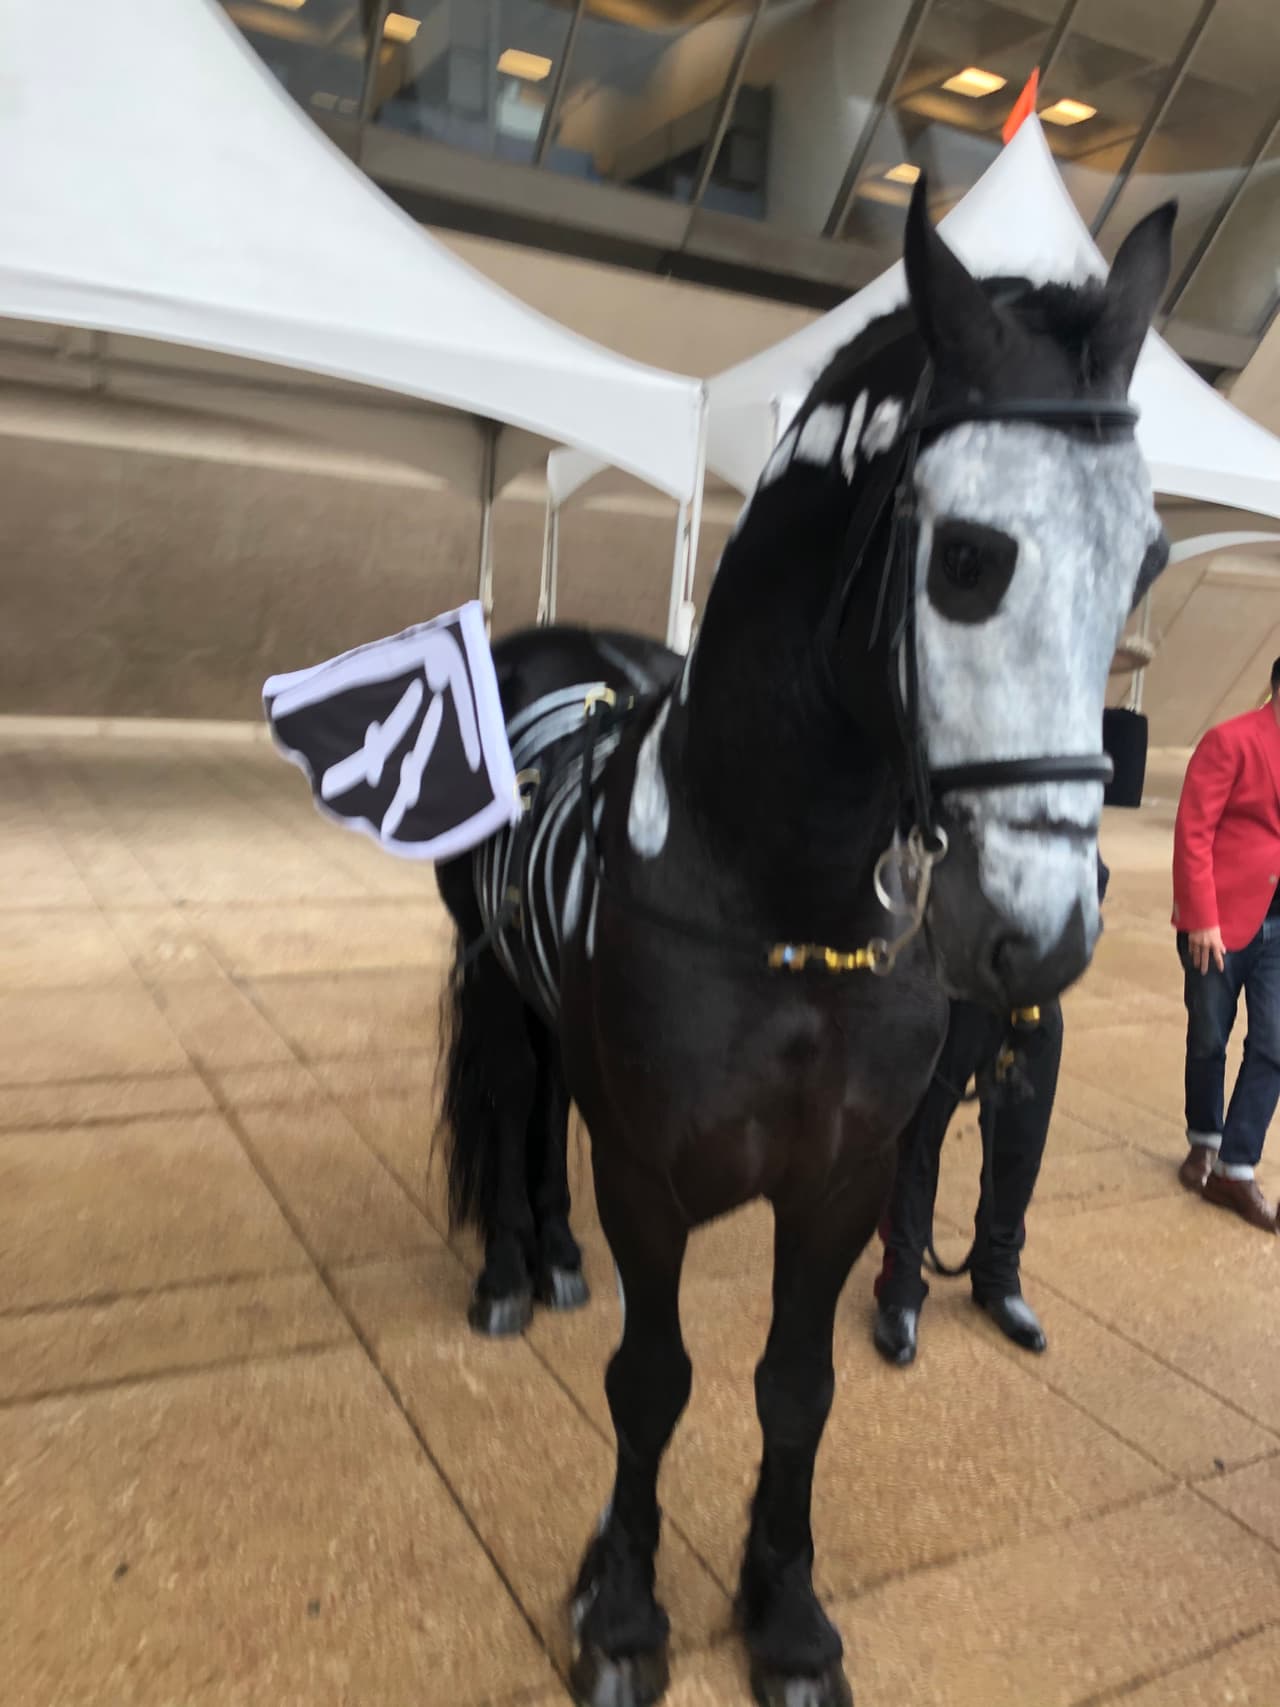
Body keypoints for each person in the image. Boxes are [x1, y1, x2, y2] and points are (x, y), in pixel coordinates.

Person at [872, 852, 1109, 1367]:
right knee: (917, 1143)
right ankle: (900, 1285)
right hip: (954, 984)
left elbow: (1089, 872)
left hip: (1032, 994)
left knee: (1019, 1146)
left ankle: (997, 1276)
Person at [1172, 660, 1280, 1233]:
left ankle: (1235, 1168)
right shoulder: (1230, 741)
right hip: (1220, 923)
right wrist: (1201, 918)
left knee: (1275, 1042)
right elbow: (1194, 831)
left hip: (1278, 929)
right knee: (1209, 1036)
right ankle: (1204, 1139)